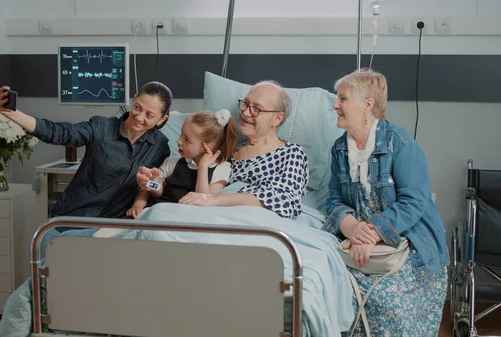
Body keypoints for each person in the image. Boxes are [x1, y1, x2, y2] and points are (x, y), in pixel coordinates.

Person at [321, 69, 449, 336]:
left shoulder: (401, 144)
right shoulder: (339, 149)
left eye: (342, 99)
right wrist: (353, 229)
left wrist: (371, 235)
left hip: (409, 246)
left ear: (367, 104)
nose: (335, 105)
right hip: (361, 244)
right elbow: (334, 199)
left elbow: (414, 202)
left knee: (387, 303)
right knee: (336, 295)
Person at [0, 81, 173, 220]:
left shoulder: (159, 146)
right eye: (137, 107)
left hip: (112, 227)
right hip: (73, 218)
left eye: (149, 115)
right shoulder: (101, 127)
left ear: (161, 119)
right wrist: (14, 115)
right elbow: (59, 132)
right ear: (133, 99)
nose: (139, 117)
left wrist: (147, 184)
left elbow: (156, 187)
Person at [178, 81, 309, 219]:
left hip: (257, 221)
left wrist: (213, 200)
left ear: (277, 118)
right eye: (245, 104)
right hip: (216, 217)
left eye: (256, 109)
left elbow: (283, 200)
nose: (245, 112)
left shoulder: (292, 153)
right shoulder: (229, 152)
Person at [127, 109, 238, 219]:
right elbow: (158, 190)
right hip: (161, 212)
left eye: (187, 140)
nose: (179, 141)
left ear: (205, 148)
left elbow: (205, 202)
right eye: (181, 135)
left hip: (186, 218)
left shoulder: (222, 169)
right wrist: (150, 183)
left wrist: (203, 167)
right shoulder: (172, 162)